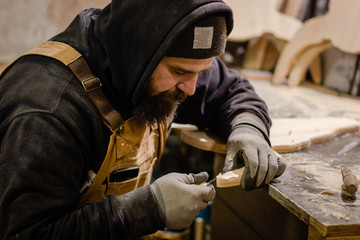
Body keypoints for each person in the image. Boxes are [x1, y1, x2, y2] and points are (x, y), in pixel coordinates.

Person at [0, 0, 286, 239]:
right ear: (137, 56)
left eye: (202, 70)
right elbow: (28, 233)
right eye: (181, 72)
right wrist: (144, 210)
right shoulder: (48, 112)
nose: (192, 88)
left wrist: (249, 127)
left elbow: (232, 91)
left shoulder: (163, 65)